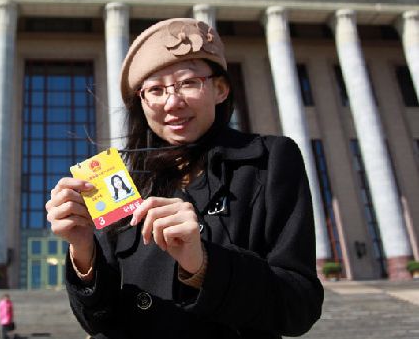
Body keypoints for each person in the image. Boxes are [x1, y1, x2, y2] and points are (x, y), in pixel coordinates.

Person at [46, 18, 324, 338]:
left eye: (188, 83)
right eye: (156, 90)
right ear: (142, 102)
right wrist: (83, 250)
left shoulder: (267, 160)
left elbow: (299, 305)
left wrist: (203, 265)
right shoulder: (119, 178)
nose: (172, 102)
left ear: (220, 89)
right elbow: (98, 321)